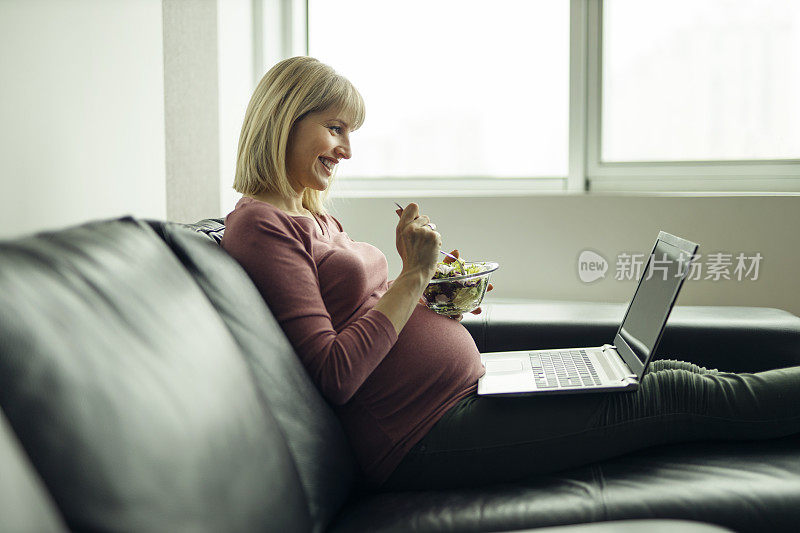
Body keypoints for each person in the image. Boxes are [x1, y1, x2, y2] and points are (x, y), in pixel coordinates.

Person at [221, 56, 800, 491]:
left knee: (664, 369)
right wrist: (412, 278)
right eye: (335, 128)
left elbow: (369, 315)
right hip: (424, 435)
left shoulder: (310, 212)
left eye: (352, 133)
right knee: (675, 392)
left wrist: (434, 293)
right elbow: (335, 372)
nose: (346, 150)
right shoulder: (261, 226)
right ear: (285, 121)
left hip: (465, 394)